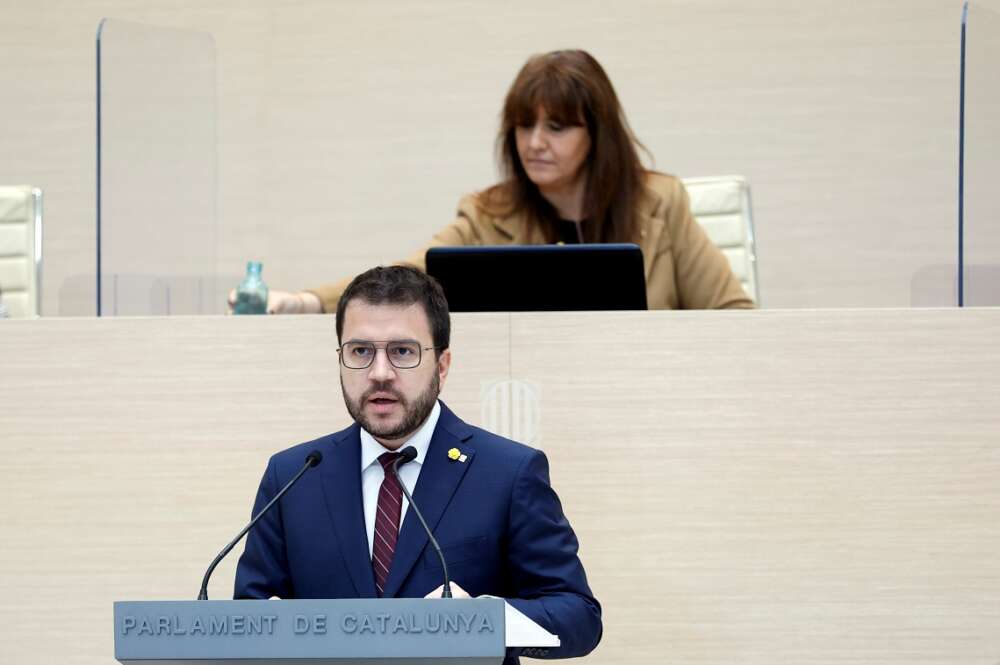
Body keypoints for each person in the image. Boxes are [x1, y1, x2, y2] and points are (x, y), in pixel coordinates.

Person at [234, 265, 602, 663]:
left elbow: (578, 616)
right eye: (360, 351)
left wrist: (486, 620)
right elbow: (248, 616)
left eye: (402, 352)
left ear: (442, 366)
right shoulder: (294, 475)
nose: (379, 373)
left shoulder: (508, 472)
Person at [237, 49, 754, 314]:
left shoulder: (661, 203)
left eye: (557, 126)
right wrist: (306, 302)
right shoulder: (487, 214)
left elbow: (734, 317)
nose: (534, 142)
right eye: (524, 125)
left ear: (598, 134)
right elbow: (406, 278)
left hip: (647, 398)